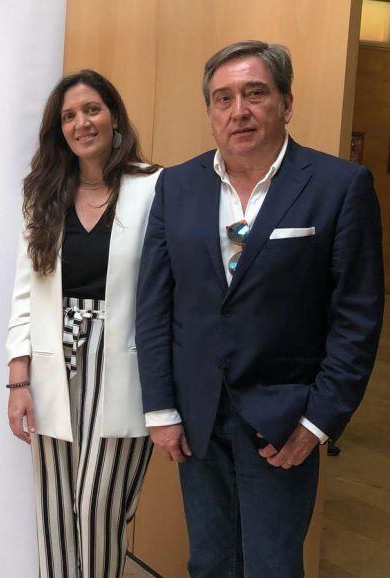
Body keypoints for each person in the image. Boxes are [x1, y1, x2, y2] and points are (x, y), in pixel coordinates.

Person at [136, 40, 384, 577]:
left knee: (271, 566)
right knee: (209, 561)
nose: (238, 111)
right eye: (222, 99)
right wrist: (160, 408)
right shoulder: (176, 186)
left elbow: (357, 319)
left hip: (284, 418)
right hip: (195, 415)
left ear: (286, 104)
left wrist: (319, 421)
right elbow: (155, 305)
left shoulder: (339, 187)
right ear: (209, 112)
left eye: (255, 93)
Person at [6, 69, 160, 578]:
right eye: (69, 116)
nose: (81, 123)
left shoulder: (155, 187)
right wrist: (18, 378)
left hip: (126, 366)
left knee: (98, 509)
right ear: (59, 130)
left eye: (92, 109)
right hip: (56, 360)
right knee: (53, 509)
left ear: (114, 115)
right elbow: (25, 292)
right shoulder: (44, 194)